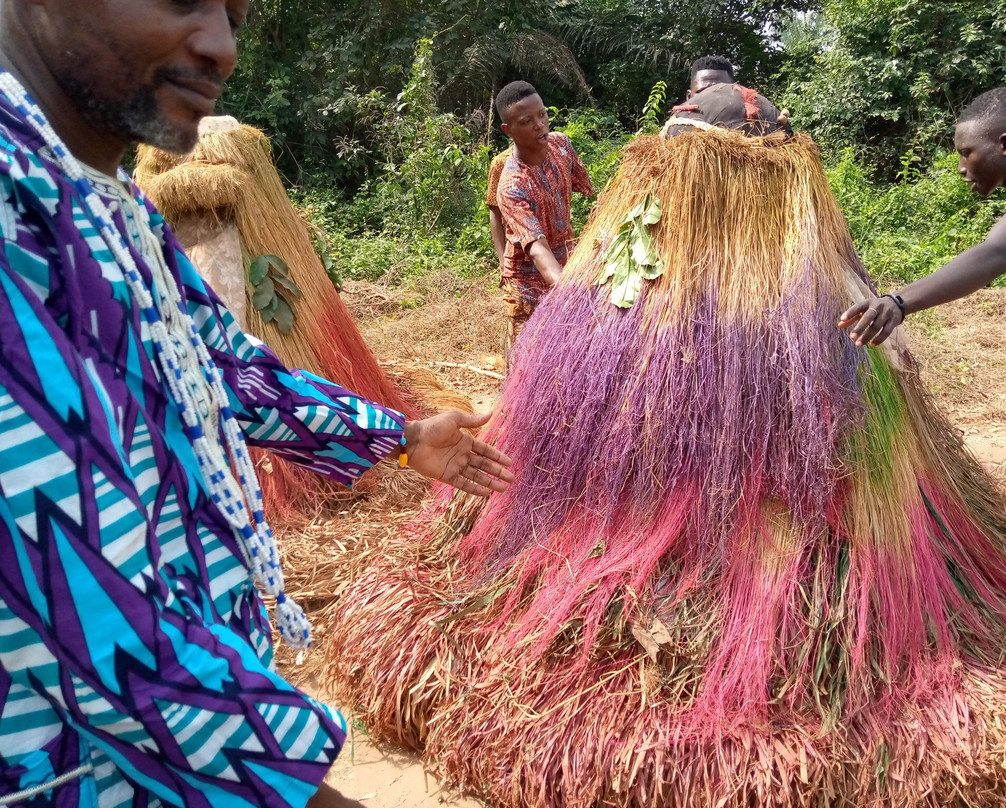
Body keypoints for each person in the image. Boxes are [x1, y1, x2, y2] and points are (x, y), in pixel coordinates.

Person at [0, 3, 514, 808]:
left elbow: (224, 364)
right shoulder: (12, 203)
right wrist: (306, 795)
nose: (223, 46)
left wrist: (402, 435)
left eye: (235, 14)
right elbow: (92, 610)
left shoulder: (110, 200)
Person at [839, 86, 1006, 347]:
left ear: (1004, 145)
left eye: (967, 153)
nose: (961, 168)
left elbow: (997, 251)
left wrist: (898, 302)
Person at [495, 80, 594, 361]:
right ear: (508, 130)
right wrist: (568, 290)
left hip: (567, 261)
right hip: (527, 280)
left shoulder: (561, 146)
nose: (540, 125)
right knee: (528, 361)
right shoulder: (512, 185)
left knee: (570, 352)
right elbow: (537, 248)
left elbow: (587, 191)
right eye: (527, 121)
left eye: (542, 115)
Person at [665, 55, 792, 138]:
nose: (711, 98)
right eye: (703, 92)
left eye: (721, 91)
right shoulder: (673, 130)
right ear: (689, 98)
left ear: (737, 92)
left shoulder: (763, 125)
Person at [485, 145, 513, 263]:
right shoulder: (501, 163)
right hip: (517, 252)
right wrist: (502, 259)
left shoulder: (556, 153)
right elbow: (495, 211)